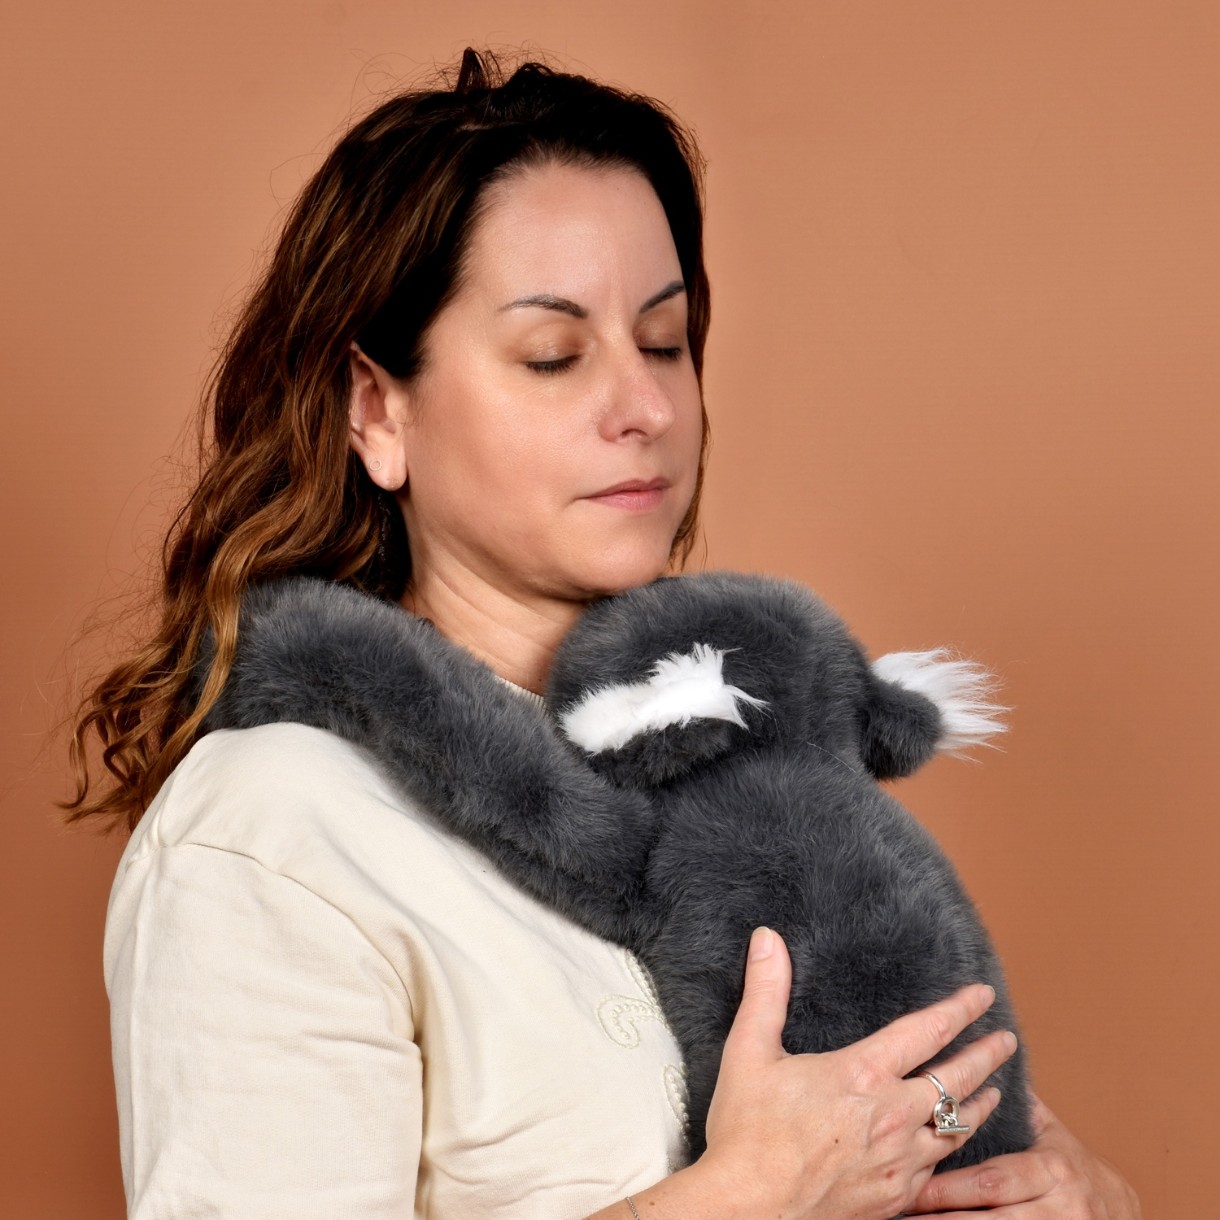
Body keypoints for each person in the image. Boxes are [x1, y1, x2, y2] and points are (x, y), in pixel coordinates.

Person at [67, 48, 1141, 1219]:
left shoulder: (743, 751)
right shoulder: (271, 827)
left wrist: (1081, 1197)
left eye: (665, 341)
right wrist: (745, 1197)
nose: (647, 407)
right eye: (554, 355)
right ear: (377, 409)